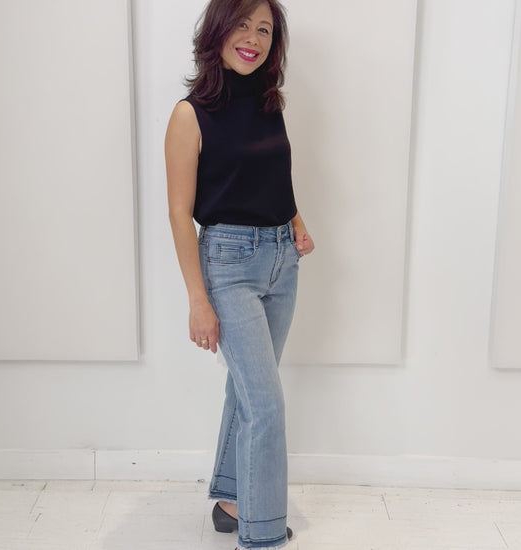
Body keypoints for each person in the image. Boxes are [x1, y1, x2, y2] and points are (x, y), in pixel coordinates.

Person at [165, 0, 314, 548]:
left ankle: (232, 501)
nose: (253, 38)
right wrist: (197, 300)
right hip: (228, 264)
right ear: (219, 30)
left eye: (265, 29)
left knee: (249, 391)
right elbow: (179, 212)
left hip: (282, 260)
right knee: (266, 405)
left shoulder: (270, 104)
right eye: (243, 25)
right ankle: (263, 533)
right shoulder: (189, 115)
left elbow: (276, 175)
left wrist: (296, 223)